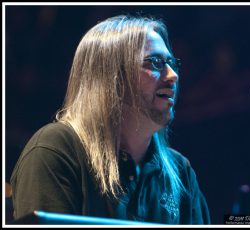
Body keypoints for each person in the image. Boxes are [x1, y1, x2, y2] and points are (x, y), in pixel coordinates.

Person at [10, 14, 211, 225]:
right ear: (112, 77)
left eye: (172, 63)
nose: (173, 75)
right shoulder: (55, 150)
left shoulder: (180, 171)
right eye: (155, 63)